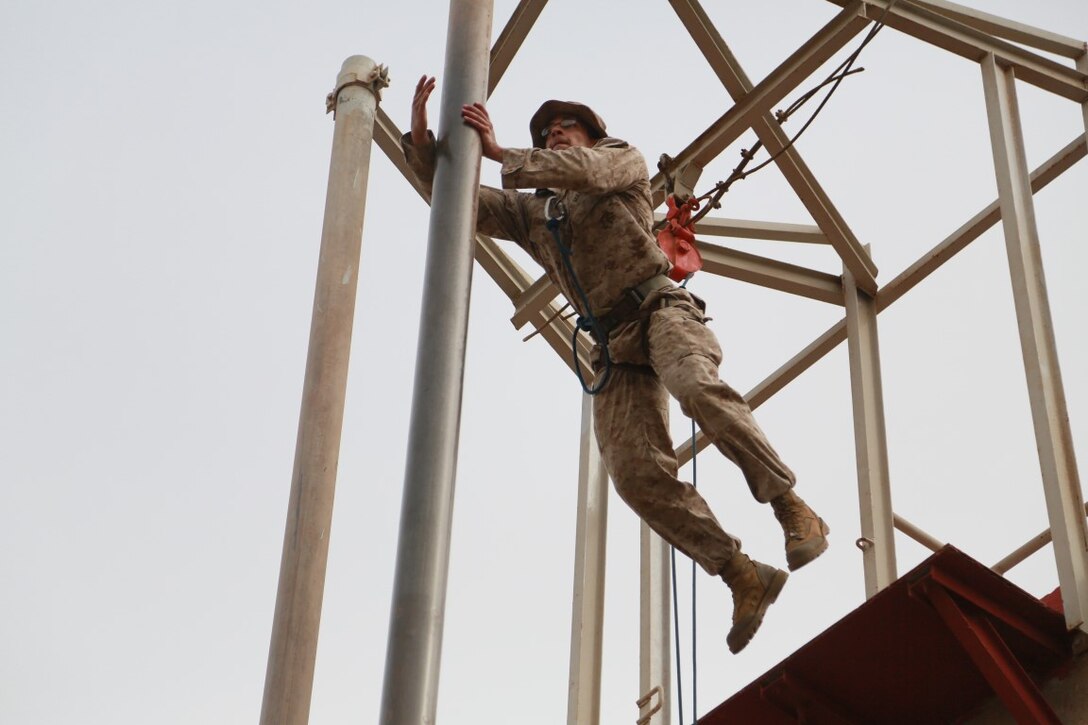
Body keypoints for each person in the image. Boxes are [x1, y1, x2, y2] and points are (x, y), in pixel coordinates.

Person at [403, 75, 830, 654]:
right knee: (633, 473)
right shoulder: (535, 214)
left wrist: (508, 154)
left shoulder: (618, 160)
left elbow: (585, 172)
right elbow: (457, 204)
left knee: (696, 387)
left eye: (565, 127)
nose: (555, 135)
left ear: (591, 134)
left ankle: (789, 505)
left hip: (659, 309)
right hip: (615, 346)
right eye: (546, 132)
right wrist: (424, 140)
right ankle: (740, 573)